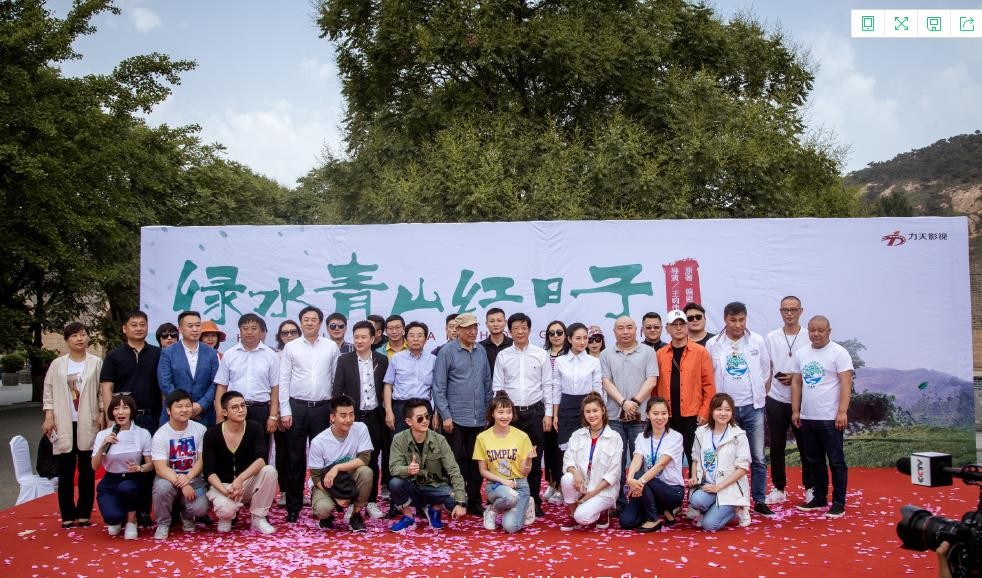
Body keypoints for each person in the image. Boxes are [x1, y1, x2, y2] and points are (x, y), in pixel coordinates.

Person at [706, 301, 772, 518]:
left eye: (741, 320)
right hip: (726, 412)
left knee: (757, 456)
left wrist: (759, 394)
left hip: (753, 407)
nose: (737, 324)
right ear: (725, 320)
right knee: (726, 457)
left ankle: (759, 500)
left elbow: (765, 371)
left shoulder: (757, 341)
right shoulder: (713, 344)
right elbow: (709, 374)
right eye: (733, 320)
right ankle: (728, 499)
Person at [278, 305, 341, 523]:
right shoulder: (291, 347)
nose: (310, 323)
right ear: (301, 322)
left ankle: (323, 505)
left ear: (320, 323)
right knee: (295, 458)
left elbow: (335, 380)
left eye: (314, 319)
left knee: (324, 458)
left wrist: (333, 410)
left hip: (323, 408)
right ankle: (293, 507)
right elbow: (284, 380)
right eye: (306, 319)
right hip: (296, 407)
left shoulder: (331, 347)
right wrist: (285, 410)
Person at [792, 315, 854, 519]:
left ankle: (838, 502)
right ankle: (819, 498)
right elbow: (797, 382)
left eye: (820, 330)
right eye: (812, 330)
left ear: (829, 331)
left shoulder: (839, 353)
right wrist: (796, 410)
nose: (816, 334)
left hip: (830, 417)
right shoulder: (801, 353)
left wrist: (842, 411)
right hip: (808, 416)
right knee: (814, 460)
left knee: (836, 461)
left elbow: (846, 383)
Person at [42, 322, 102, 529]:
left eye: (83, 335)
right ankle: (67, 514)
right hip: (64, 421)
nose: (79, 339)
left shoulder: (96, 362)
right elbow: (48, 391)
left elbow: (101, 391)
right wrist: (49, 416)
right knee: (65, 470)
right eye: (74, 336)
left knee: (87, 469)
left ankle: (84, 513)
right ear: (67, 340)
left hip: (88, 420)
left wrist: (102, 412)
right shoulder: (58, 364)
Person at [492, 312, 553, 517]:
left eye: (524, 328)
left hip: (535, 412)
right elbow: (498, 387)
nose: (520, 331)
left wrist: (548, 414)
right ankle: (513, 498)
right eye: (516, 328)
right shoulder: (503, 355)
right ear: (510, 331)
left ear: (530, 330)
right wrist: (502, 415)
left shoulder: (540, 354)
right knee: (510, 458)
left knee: (533, 458)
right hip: (512, 414)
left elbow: (547, 385)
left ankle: (533, 500)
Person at [433, 312, 493, 516]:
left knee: (476, 462)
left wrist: (488, 412)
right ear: (457, 330)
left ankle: (474, 500)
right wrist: (445, 415)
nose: (472, 331)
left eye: (475, 327)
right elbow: (438, 387)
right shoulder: (446, 352)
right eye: (468, 328)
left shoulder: (481, 350)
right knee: (454, 461)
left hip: (479, 417)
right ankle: (457, 500)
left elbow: (487, 383)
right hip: (455, 418)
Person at [599, 316, 658, 509]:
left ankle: (640, 501)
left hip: (640, 417)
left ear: (636, 330)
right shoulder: (606, 354)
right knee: (615, 460)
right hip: (614, 417)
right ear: (614, 331)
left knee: (640, 460)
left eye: (629, 327)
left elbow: (652, 380)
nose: (625, 332)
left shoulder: (648, 352)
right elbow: (605, 381)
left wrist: (635, 402)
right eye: (621, 328)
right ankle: (619, 502)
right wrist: (623, 402)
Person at [333, 320, 389, 520]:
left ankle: (371, 501)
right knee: (351, 459)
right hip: (352, 418)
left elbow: (386, 389)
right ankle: (352, 501)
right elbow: (337, 390)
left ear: (373, 339)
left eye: (364, 337)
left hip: (374, 417)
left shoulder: (382, 360)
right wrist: (338, 417)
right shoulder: (344, 360)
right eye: (356, 337)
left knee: (372, 459)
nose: (359, 340)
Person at [203, 390, 277, 534]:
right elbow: (209, 472)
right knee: (225, 510)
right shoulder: (212, 434)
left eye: (243, 405)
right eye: (235, 407)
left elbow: (261, 459)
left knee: (269, 471)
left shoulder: (255, 427)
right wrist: (226, 491)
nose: (241, 410)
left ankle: (258, 517)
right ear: (224, 412)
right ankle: (226, 518)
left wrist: (240, 479)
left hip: (246, 482)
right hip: (223, 485)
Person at [388, 398, 467, 532]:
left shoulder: (439, 440)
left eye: (427, 416)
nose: (425, 421)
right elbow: (393, 468)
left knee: (461, 499)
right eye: (420, 418)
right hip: (412, 486)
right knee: (395, 483)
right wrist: (407, 469)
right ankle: (408, 517)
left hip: (434, 486)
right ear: (408, 421)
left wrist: (460, 503)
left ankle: (434, 509)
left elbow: (453, 470)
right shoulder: (399, 439)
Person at [764, 296, 812, 506]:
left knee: (806, 446)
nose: (789, 313)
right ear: (780, 312)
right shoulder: (771, 337)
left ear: (801, 311)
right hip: (776, 397)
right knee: (776, 446)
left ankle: (810, 488)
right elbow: (765, 366)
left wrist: (796, 377)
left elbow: (815, 365)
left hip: (803, 399)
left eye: (793, 309)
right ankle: (778, 488)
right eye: (785, 310)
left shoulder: (809, 336)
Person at [654, 310, 715, 466]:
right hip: (667, 416)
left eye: (682, 324)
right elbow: (655, 386)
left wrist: (705, 411)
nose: (679, 328)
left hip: (693, 415)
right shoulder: (660, 354)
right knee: (669, 459)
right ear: (667, 328)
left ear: (687, 326)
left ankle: (696, 483)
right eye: (674, 325)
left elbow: (709, 385)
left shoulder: (700, 352)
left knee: (695, 457)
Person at [308, 395, 374, 532]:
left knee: (366, 472)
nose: (348, 420)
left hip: (349, 478)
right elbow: (315, 476)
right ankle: (327, 517)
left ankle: (355, 515)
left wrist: (337, 467)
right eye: (343, 415)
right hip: (327, 484)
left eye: (351, 414)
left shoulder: (361, 428)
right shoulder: (318, 442)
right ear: (332, 417)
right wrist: (336, 497)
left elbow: (364, 459)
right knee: (323, 509)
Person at [150, 389, 210, 540]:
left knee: (201, 508)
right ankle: (163, 524)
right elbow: (160, 468)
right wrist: (184, 483)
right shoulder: (160, 434)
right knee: (162, 488)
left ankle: (187, 515)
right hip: (169, 479)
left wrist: (188, 478)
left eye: (188, 406)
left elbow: (202, 460)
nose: (184, 410)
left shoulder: (200, 429)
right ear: (168, 410)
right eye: (179, 406)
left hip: (194, 479)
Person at [619, 397, 685, 532]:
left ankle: (653, 519)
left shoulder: (676, 437)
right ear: (647, 415)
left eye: (664, 413)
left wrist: (638, 482)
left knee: (644, 478)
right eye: (655, 413)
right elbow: (637, 459)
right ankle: (663, 510)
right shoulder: (641, 437)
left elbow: (661, 465)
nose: (660, 417)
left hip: (671, 491)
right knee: (626, 521)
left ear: (668, 414)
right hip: (646, 489)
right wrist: (630, 479)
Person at [92, 394, 153, 539]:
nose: (120, 412)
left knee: (127, 488)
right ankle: (118, 518)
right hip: (111, 480)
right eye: (116, 408)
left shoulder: (142, 433)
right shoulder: (103, 435)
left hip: (133, 479)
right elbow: (94, 466)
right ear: (111, 412)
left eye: (125, 408)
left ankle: (131, 520)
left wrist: (140, 468)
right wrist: (103, 446)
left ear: (131, 411)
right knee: (112, 520)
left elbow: (151, 465)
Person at [688, 393, 751, 532]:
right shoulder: (701, 433)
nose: (723, 413)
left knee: (709, 525)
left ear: (732, 412)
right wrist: (694, 477)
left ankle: (736, 508)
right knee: (696, 500)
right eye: (719, 409)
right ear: (711, 411)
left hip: (729, 487)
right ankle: (713, 508)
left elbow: (742, 468)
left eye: (727, 410)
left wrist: (719, 487)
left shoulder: (738, 435)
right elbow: (695, 458)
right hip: (709, 486)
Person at [559, 392, 622, 531]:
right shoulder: (577, 435)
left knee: (582, 518)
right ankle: (572, 513)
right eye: (588, 412)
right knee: (567, 478)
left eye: (595, 411)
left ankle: (602, 511)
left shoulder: (615, 437)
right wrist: (575, 472)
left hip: (603, 489)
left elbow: (613, 474)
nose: (592, 415)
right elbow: (568, 459)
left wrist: (589, 496)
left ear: (603, 411)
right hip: (582, 485)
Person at [474, 393, 535, 533]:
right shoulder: (482, 438)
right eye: (501, 412)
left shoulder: (522, 437)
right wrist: (503, 481)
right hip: (495, 485)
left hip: (519, 485)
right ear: (492, 414)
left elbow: (524, 472)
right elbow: (483, 471)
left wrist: (529, 459)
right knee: (509, 497)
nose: (505, 416)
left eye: (509, 412)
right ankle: (492, 509)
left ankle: (524, 503)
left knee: (511, 527)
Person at [214, 314, 280, 433]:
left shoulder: (271, 355)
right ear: (240, 331)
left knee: (259, 444)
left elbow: (275, 388)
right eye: (245, 328)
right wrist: (219, 414)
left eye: (254, 328)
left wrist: (273, 416)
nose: (249, 332)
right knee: (234, 444)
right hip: (234, 409)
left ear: (261, 332)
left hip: (260, 410)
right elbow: (221, 386)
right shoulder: (229, 354)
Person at [99, 310, 161, 434]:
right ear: (124, 328)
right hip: (122, 419)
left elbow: (163, 389)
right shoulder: (113, 356)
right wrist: (110, 418)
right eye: (134, 325)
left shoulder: (159, 354)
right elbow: (106, 389)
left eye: (142, 324)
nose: (139, 328)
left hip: (152, 418)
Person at [158, 310, 220, 427]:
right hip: (174, 414)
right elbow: (165, 383)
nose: (195, 329)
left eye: (198, 325)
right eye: (190, 326)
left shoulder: (211, 353)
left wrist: (201, 405)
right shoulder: (168, 353)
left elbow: (215, 382)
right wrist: (184, 406)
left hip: (204, 414)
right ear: (180, 329)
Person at [553, 323, 603, 463]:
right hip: (566, 409)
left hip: (587, 408)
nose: (582, 342)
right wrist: (555, 415)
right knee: (567, 452)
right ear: (569, 339)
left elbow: (597, 389)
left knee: (588, 451)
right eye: (578, 338)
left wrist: (598, 413)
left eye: (585, 338)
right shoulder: (560, 361)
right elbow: (556, 389)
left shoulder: (593, 362)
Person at [384, 321, 436, 434]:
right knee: (400, 441)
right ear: (406, 339)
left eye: (419, 335)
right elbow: (388, 385)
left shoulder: (433, 360)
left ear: (426, 339)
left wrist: (436, 413)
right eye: (412, 335)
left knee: (424, 441)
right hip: (401, 408)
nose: (415, 339)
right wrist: (389, 411)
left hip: (424, 407)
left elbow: (437, 388)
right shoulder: (396, 358)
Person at [272, 319, 301, 505]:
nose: (289, 336)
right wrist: (277, 411)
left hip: (301, 407)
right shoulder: (275, 356)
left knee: (300, 453)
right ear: (279, 336)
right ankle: (284, 491)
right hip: (281, 409)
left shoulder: (306, 353)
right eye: (285, 333)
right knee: (283, 452)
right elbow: (275, 386)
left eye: (293, 332)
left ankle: (304, 490)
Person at [541, 320, 569, 505]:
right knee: (548, 448)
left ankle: (561, 486)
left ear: (565, 335)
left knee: (561, 450)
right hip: (544, 408)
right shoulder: (541, 355)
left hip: (563, 408)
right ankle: (551, 483)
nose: (556, 336)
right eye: (552, 333)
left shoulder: (570, 355)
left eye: (559, 332)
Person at [479, 307, 513, 373]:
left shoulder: (514, 344)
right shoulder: (479, 347)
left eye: (499, 321)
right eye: (492, 321)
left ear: (505, 322)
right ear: (486, 324)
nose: (495, 324)